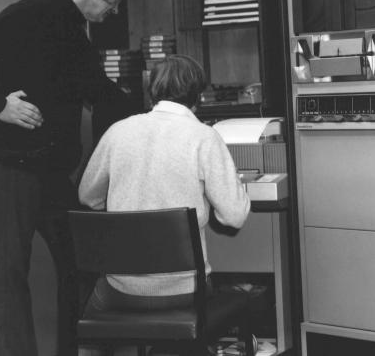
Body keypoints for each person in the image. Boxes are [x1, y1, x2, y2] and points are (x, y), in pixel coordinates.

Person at [0, 0, 138, 356]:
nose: (114, 10)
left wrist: (163, 115)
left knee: (82, 262)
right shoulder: (32, 13)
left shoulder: (77, 36)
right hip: (12, 165)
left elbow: (102, 94)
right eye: (114, 0)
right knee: (9, 275)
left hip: (51, 172)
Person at [78, 54, 250, 310]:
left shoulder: (118, 131)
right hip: (186, 291)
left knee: (91, 327)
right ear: (198, 95)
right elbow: (233, 216)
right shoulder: (204, 137)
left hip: (121, 289)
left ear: (152, 91)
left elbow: (87, 196)